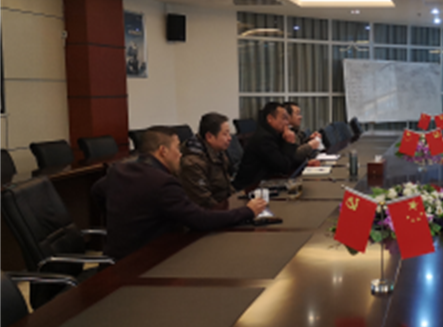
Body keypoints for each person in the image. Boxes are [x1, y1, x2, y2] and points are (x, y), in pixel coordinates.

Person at [92, 126, 266, 260]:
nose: (181, 154)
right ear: (163, 151)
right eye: (177, 148)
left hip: (117, 257)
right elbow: (201, 220)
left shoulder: (118, 171)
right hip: (149, 261)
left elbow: (96, 192)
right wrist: (247, 211)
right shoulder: (163, 183)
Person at [233, 102, 319, 189]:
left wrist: (305, 163)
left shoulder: (276, 134)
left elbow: (287, 159)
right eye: (284, 118)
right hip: (250, 188)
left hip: (267, 183)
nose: (287, 123)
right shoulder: (263, 139)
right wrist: (289, 143)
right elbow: (284, 167)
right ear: (270, 118)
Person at [179, 112, 235, 208]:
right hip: (210, 212)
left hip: (224, 206)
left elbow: (227, 187)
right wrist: (234, 212)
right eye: (225, 134)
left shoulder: (218, 152)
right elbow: (204, 201)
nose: (230, 138)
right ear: (209, 137)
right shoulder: (193, 163)